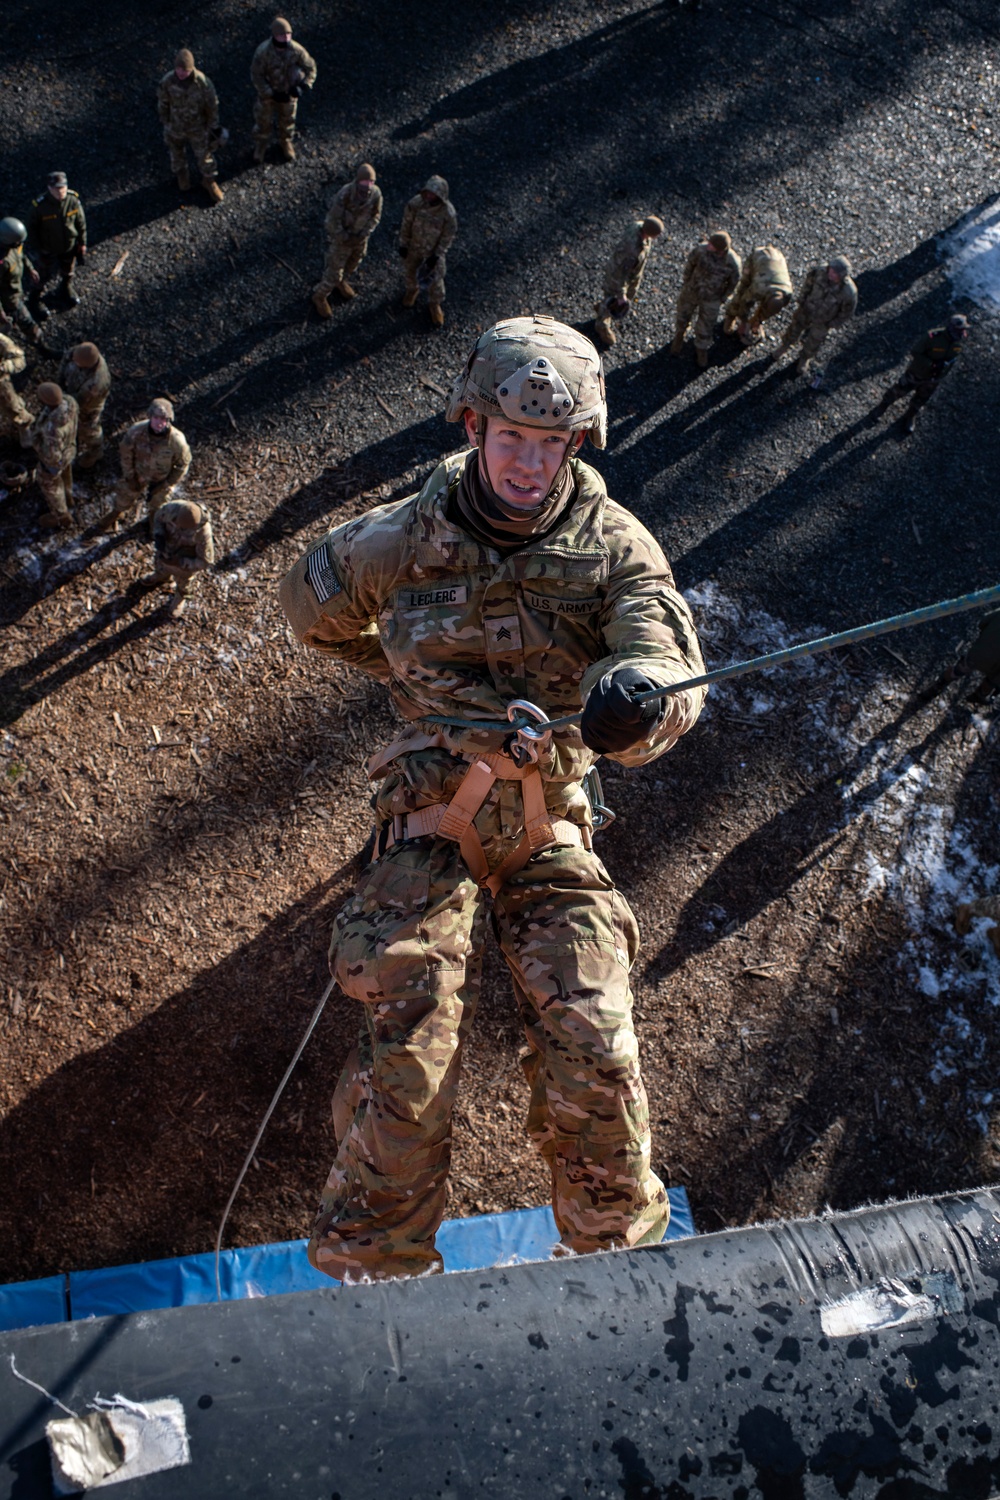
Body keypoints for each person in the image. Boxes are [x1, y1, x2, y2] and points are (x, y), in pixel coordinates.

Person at [279, 314, 706, 1283]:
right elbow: (310, 611)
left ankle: (619, 1266)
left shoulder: (614, 549)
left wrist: (635, 706)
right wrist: (406, 679)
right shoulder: (397, 539)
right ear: (473, 428)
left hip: (552, 818)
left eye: (549, 443)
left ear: (575, 444)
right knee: (411, 1036)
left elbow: (667, 658)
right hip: (430, 808)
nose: (526, 463)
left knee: (595, 1032)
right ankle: (373, 1273)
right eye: (510, 438)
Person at [99, 397, 191, 532]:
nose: (160, 423)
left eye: (164, 419)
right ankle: (117, 513)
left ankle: (154, 522)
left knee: (159, 504)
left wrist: (166, 484)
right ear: (150, 416)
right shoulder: (136, 431)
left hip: (161, 479)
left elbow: (183, 464)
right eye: (156, 418)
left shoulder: (177, 441)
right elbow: (126, 453)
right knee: (124, 495)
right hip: (138, 473)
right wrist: (130, 475)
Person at [870, 314, 969, 435]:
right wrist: (931, 364)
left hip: (934, 378)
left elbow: (952, 360)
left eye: (963, 329)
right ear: (951, 327)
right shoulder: (933, 337)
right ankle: (883, 406)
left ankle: (910, 415)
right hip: (917, 372)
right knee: (899, 390)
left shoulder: (959, 343)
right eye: (959, 329)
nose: (961, 332)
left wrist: (941, 374)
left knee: (922, 398)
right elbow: (915, 352)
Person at [311, 162, 383, 317]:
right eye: (364, 183)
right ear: (357, 182)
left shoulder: (376, 194)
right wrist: (344, 237)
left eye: (371, 183)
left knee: (355, 261)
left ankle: (341, 282)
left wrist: (365, 232)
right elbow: (331, 221)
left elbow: (376, 215)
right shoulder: (344, 195)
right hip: (342, 240)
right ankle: (320, 295)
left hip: (360, 238)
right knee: (334, 271)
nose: (368, 187)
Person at [157, 48, 225, 204]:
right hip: (175, 127)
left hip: (198, 128)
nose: (181, 73)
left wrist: (213, 127)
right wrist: (166, 122)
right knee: (176, 153)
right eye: (178, 70)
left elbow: (212, 106)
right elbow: (163, 103)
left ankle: (209, 180)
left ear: (191, 69)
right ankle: (182, 174)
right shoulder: (167, 81)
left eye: (185, 70)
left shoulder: (203, 83)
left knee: (205, 156)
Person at [771, 254, 857, 377]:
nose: (831, 274)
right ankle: (784, 346)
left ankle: (805, 358)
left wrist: (832, 324)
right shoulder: (820, 272)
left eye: (835, 274)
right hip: (806, 309)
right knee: (794, 328)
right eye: (831, 270)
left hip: (823, 320)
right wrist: (802, 299)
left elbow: (847, 312)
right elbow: (808, 284)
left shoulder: (848, 292)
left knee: (814, 341)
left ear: (842, 276)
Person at [251, 16, 317, 164]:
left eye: (289, 34)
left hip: (289, 95)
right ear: (274, 35)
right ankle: (261, 144)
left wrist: (304, 85)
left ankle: (285, 141)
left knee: (288, 120)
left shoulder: (297, 50)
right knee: (263, 121)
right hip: (267, 96)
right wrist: (270, 93)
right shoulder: (263, 52)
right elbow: (257, 76)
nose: (286, 38)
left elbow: (311, 68)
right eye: (282, 35)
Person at [670, 230, 741, 367]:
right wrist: (687, 282)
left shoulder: (733, 262)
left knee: (706, 325)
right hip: (692, 291)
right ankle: (679, 336)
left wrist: (723, 298)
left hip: (712, 298)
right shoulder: (701, 250)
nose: (708, 245)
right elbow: (690, 265)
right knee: (682, 315)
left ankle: (701, 348)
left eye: (712, 244)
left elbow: (733, 283)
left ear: (721, 249)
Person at [593, 215, 664, 349]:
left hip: (630, 275)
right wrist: (621, 295)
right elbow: (620, 274)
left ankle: (602, 306)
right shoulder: (632, 250)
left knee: (616, 298)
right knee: (613, 301)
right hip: (618, 279)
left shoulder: (637, 226)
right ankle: (601, 324)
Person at [398, 174, 457, 327]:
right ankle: (412, 291)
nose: (430, 196)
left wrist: (437, 255)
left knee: (435, 281)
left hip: (432, 254)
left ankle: (435, 304)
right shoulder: (416, 203)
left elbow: (447, 236)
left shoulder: (448, 213)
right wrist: (403, 243)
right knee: (410, 273)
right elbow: (406, 224)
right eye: (428, 192)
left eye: (434, 194)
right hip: (414, 248)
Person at [138, 498, 214, 616]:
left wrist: (181, 562)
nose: (179, 528)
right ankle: (160, 576)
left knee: (185, 582)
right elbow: (158, 517)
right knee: (160, 563)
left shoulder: (203, 533)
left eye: (184, 529)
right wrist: (159, 535)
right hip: (167, 547)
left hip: (184, 560)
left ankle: (180, 597)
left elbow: (205, 562)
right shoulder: (172, 508)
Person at [26, 172, 87, 316]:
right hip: (48, 249)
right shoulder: (40, 207)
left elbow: (81, 223)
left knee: (68, 271)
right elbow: (31, 229)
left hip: (69, 247)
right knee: (42, 276)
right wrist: (39, 249)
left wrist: (82, 243)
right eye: (57, 189)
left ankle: (65, 288)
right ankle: (34, 299)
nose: (61, 192)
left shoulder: (72, 201)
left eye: (63, 188)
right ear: (49, 188)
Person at [918, 608, 1000, 708]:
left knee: (960, 669)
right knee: (993, 680)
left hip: (982, 652)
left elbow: (982, 623)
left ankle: (938, 686)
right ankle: (980, 695)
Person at [27, 381, 78, 530]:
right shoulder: (70, 402)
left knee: (52, 488)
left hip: (54, 462)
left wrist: (36, 442)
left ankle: (61, 516)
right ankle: (69, 497)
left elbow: (52, 457)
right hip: (69, 449)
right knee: (66, 475)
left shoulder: (52, 430)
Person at [723, 244, 793, 347]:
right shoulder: (759, 288)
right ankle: (731, 316)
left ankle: (755, 321)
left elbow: (771, 309)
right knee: (742, 290)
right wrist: (744, 322)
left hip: (776, 259)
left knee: (764, 310)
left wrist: (759, 319)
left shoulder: (787, 295)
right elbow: (745, 301)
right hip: (758, 258)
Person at [58, 342, 111, 468]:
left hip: (88, 407)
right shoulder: (79, 352)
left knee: (89, 429)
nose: (73, 361)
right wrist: (59, 385)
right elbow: (65, 360)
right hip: (73, 389)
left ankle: (95, 451)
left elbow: (78, 402)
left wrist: (60, 400)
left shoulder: (97, 383)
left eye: (77, 363)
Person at [0, 217, 43, 345]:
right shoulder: (2, 262)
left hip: (15, 289)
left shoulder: (15, 244)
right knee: (27, 323)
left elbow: (21, 255)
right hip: (9, 298)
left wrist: (30, 269)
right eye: (17, 243)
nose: (20, 245)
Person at [0, 331, 31, 443]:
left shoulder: (1, 340)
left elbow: (19, 359)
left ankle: (25, 426)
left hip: (1, 387)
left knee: (13, 408)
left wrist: (4, 367)